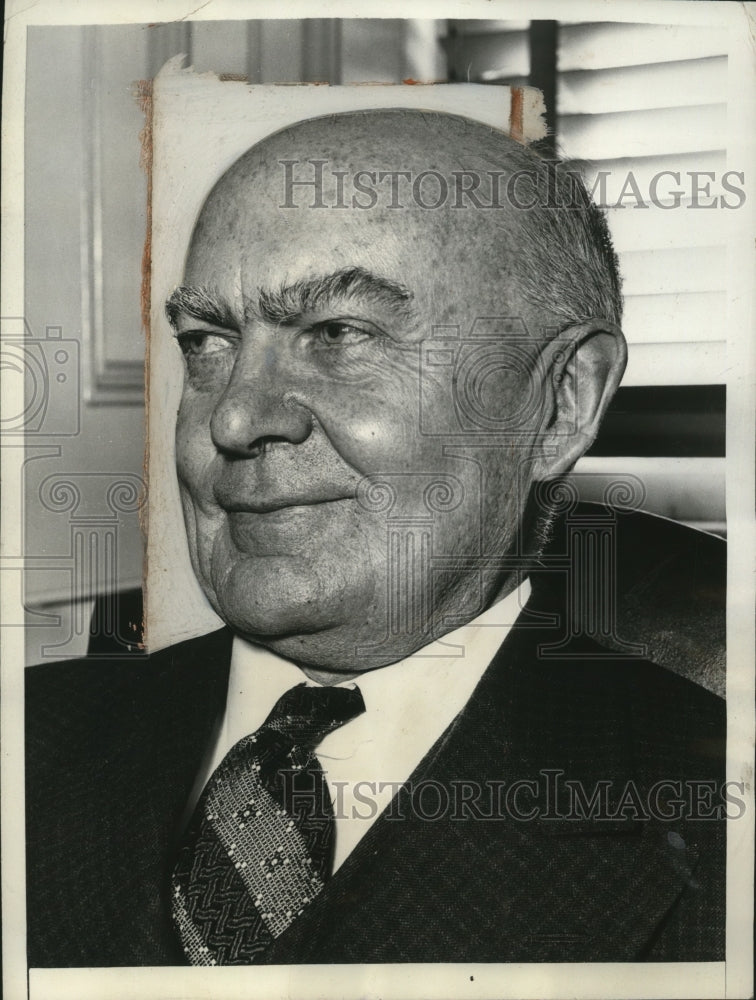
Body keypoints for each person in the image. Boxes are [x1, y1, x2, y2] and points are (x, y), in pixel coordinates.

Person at [25, 109, 725, 967]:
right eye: (208, 343)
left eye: (338, 335)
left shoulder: (715, 829)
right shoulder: (29, 737)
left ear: (560, 403)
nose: (235, 418)